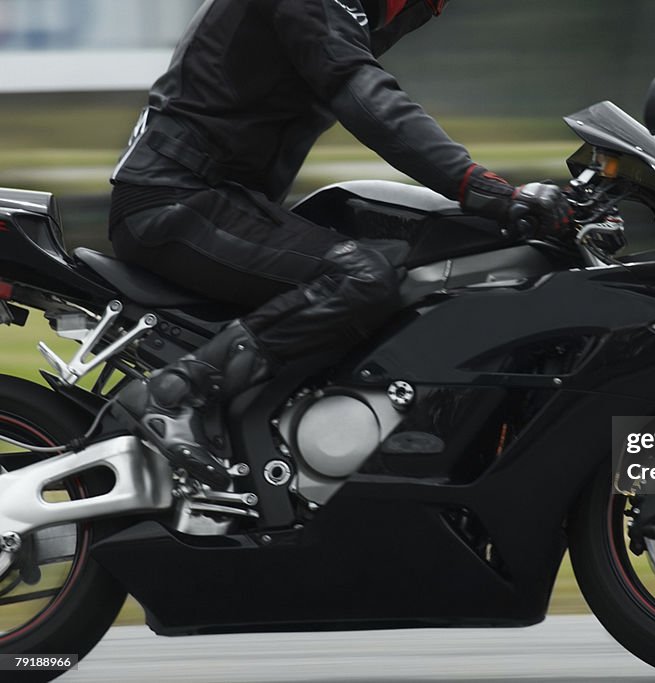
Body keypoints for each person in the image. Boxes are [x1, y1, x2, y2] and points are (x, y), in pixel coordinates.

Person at [107, 0, 573, 488]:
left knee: (407, 260)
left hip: (221, 200)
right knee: (362, 275)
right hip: (177, 200)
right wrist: (481, 187)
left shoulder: (386, 9)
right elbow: (361, 90)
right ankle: (176, 395)